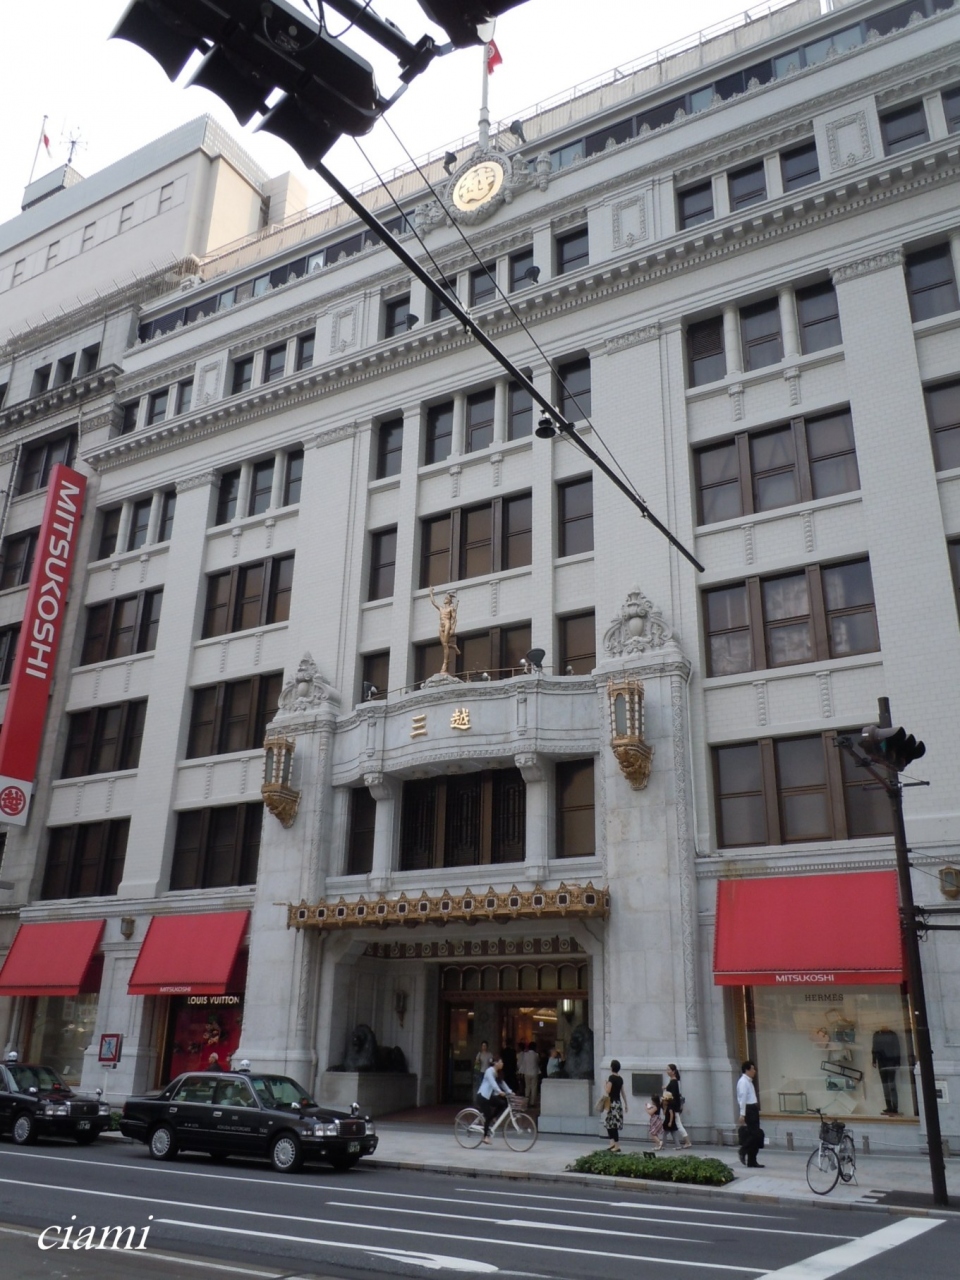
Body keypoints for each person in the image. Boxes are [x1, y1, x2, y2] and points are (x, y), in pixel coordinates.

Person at [477, 1057, 512, 1144]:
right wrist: (499, 1092)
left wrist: (510, 1092)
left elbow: (502, 1083)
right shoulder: (489, 1071)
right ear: (495, 1063)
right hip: (483, 1096)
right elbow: (493, 1083)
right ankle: (485, 1136)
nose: (502, 1064)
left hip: (489, 1096)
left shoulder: (498, 1073)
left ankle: (493, 1117)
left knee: (502, 1104)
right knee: (488, 1115)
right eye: (500, 1062)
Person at [736, 1060, 764, 1168]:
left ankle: (752, 1160)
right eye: (752, 1069)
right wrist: (742, 1114)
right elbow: (742, 1098)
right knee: (755, 1134)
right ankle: (743, 1150)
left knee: (755, 1135)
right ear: (747, 1070)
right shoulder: (743, 1082)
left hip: (753, 1108)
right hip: (749, 1109)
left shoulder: (749, 1081)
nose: (754, 1071)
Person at [602, 1058, 627, 1152]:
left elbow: (608, 1090)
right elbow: (623, 1092)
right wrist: (626, 1104)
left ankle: (617, 1145)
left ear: (612, 1067)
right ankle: (612, 1143)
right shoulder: (620, 1079)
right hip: (618, 1103)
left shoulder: (611, 1078)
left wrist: (605, 1084)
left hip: (612, 1103)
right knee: (609, 1124)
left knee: (612, 1125)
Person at [665, 1064, 692, 1148]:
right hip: (674, 1106)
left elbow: (673, 1095)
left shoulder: (674, 1082)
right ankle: (683, 1142)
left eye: (668, 1069)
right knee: (676, 1124)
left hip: (673, 1107)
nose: (667, 1071)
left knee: (678, 1124)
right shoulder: (673, 1081)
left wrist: (666, 1098)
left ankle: (687, 1142)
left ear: (673, 1071)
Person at [519, 1041, 540, 1107]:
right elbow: (538, 1062)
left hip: (527, 1072)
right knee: (534, 1087)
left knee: (527, 1087)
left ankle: (526, 1101)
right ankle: (532, 1102)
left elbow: (523, 1063)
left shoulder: (525, 1054)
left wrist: (521, 1072)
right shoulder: (536, 1055)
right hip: (534, 1072)